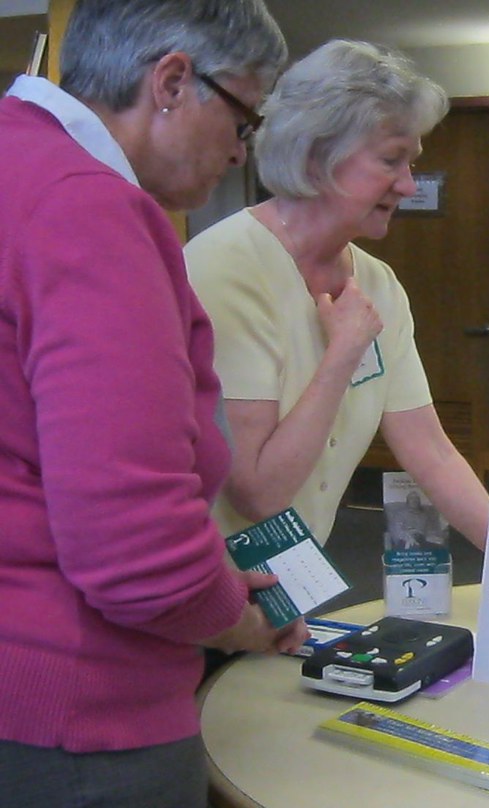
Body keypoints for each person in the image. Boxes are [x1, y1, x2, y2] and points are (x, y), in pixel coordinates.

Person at [185, 40, 489, 654]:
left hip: (281, 592)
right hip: (199, 600)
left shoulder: (379, 286)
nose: (410, 184)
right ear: (316, 160)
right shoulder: (225, 270)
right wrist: (342, 355)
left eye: (411, 161)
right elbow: (256, 490)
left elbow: (433, 455)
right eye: (391, 161)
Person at [0, 2, 308, 806]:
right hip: (73, 721)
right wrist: (237, 616)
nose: (243, 148)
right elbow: (135, 556)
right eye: (243, 115)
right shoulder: (89, 209)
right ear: (172, 80)